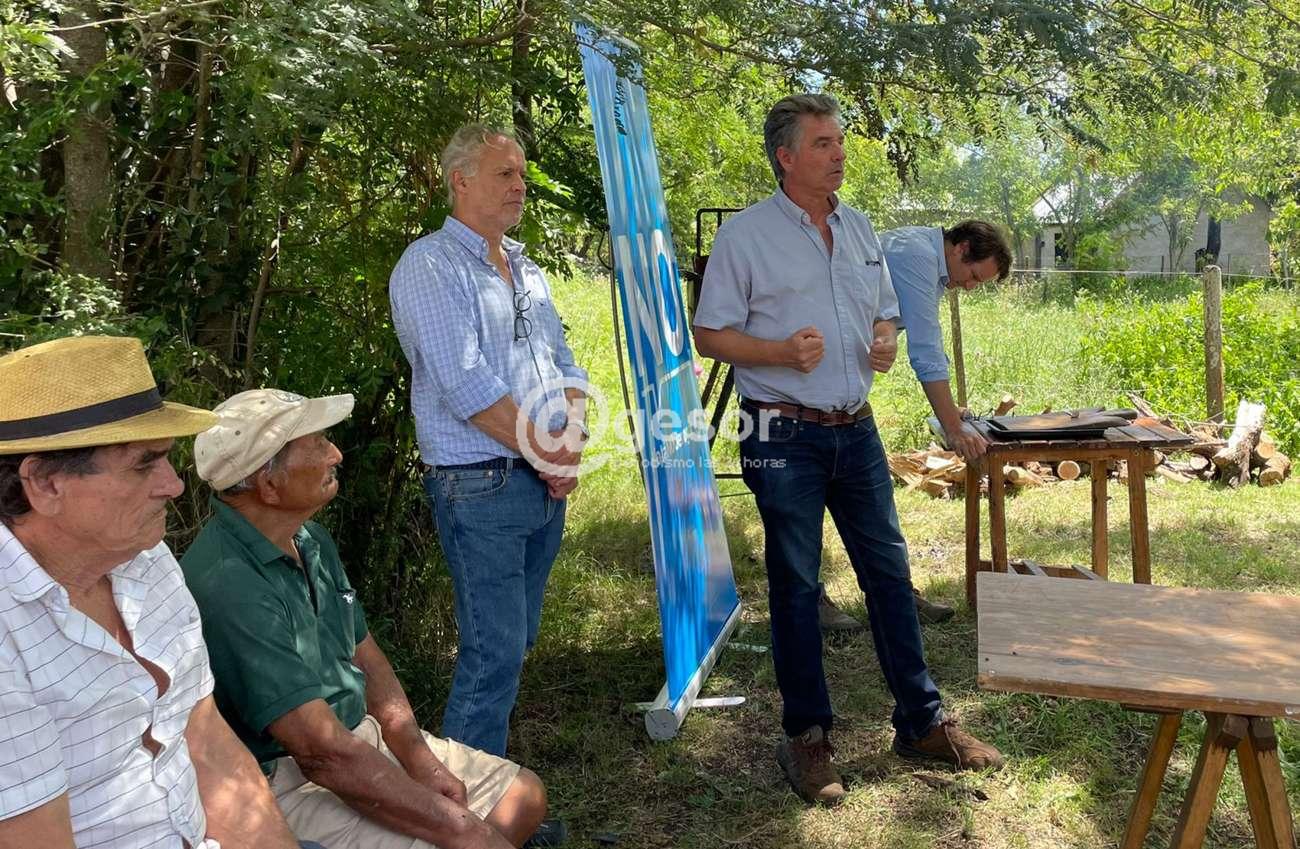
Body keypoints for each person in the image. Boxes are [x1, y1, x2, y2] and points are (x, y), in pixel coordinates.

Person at [692, 94, 1005, 807]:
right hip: (780, 431)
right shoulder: (746, 235)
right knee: (797, 586)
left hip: (855, 427)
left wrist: (886, 335)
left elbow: (885, 310)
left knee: (890, 576)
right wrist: (778, 351)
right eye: (824, 143)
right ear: (786, 157)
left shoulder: (860, 226)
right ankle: (807, 737)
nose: (839, 154)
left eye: (840, 142)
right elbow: (708, 335)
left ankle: (922, 722)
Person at [180, 388, 549, 849]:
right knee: (462, 837)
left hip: (355, 742)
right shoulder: (228, 583)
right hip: (286, 780)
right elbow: (320, 754)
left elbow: (367, 658)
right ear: (268, 485)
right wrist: (458, 827)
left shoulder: (309, 539)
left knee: (522, 796)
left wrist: (420, 760)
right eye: (316, 444)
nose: (335, 454)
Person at [0, 336, 300, 849]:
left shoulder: (146, 559)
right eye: (144, 464)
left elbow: (209, 747)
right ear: (45, 483)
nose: (174, 485)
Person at [388, 123, 588, 758]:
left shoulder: (527, 269)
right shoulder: (430, 265)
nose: (519, 185)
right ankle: (466, 801)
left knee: (514, 641)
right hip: (481, 483)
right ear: (460, 181)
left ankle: (481, 781)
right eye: (505, 173)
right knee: (493, 650)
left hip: (538, 479)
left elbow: (565, 364)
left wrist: (571, 439)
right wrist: (547, 452)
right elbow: (465, 383)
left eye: (522, 174)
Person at [881, 220, 1012, 462]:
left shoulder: (929, 258)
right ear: (962, 248)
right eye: (974, 276)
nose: (970, 287)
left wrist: (949, 410)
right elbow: (926, 348)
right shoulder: (918, 255)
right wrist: (953, 427)